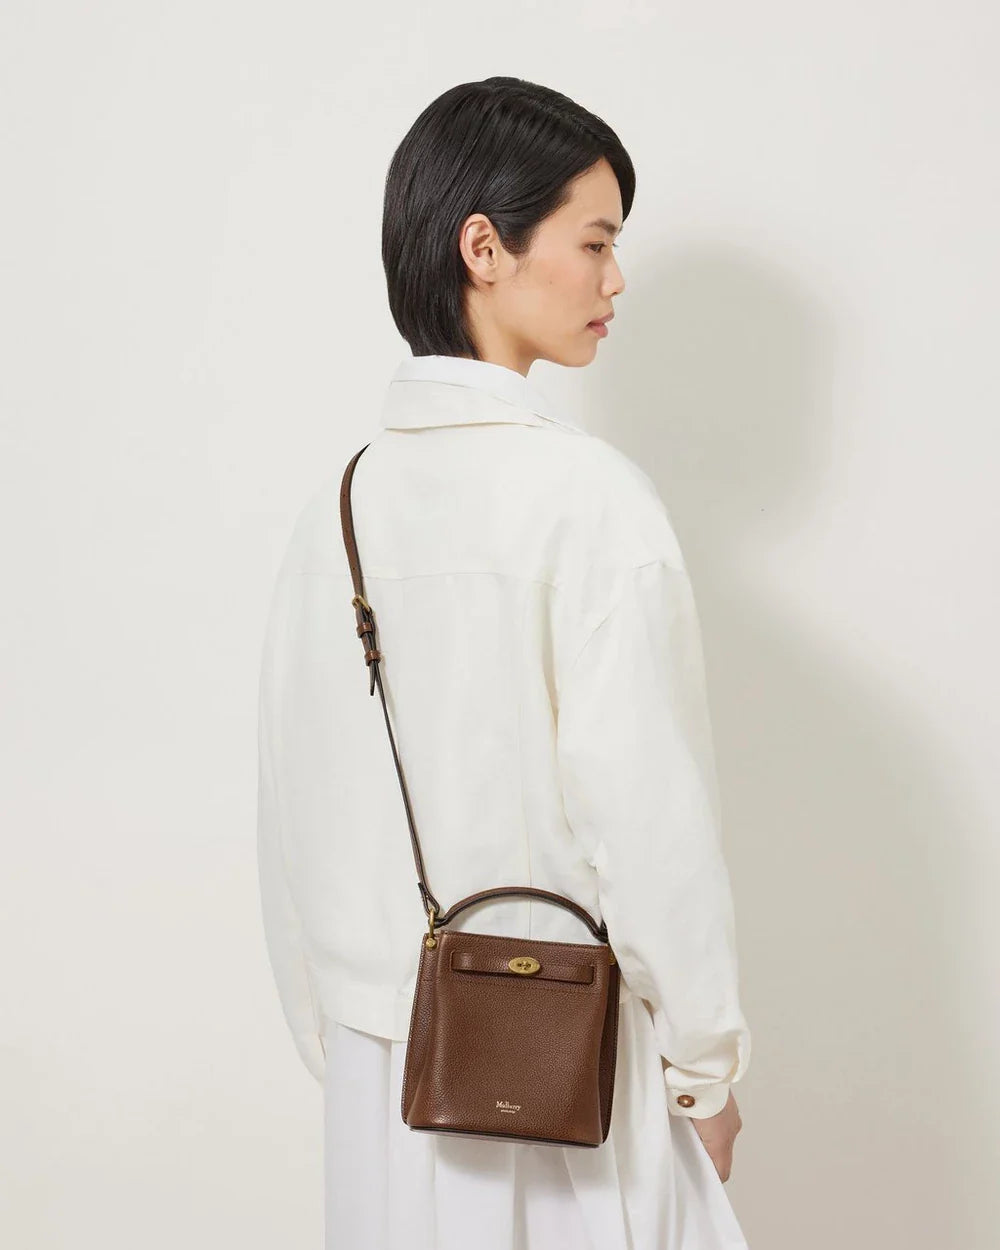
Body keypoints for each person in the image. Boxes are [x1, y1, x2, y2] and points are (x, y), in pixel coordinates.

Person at [256, 76, 751, 1250]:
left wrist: (348, 1039)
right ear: (483, 247)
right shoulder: (589, 499)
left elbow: (290, 805)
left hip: (388, 1076)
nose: (614, 281)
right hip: (567, 1068)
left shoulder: (338, 508)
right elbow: (648, 817)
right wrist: (705, 1069)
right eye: (595, 242)